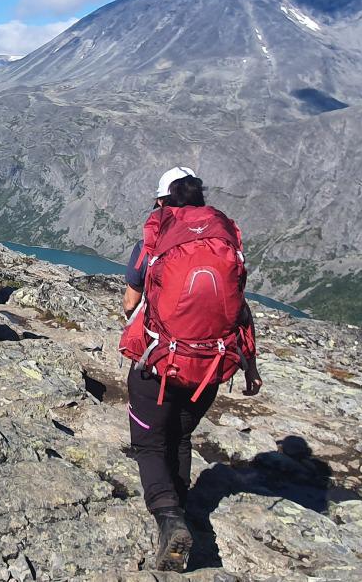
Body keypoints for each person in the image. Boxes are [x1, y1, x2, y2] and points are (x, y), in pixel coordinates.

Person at [117, 166, 261, 572]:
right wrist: (249, 365)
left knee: (149, 442)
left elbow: (131, 304)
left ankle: (168, 517)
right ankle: (181, 508)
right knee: (180, 436)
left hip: (160, 362)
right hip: (211, 365)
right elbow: (238, 308)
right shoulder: (224, 240)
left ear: (162, 202)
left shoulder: (155, 240)